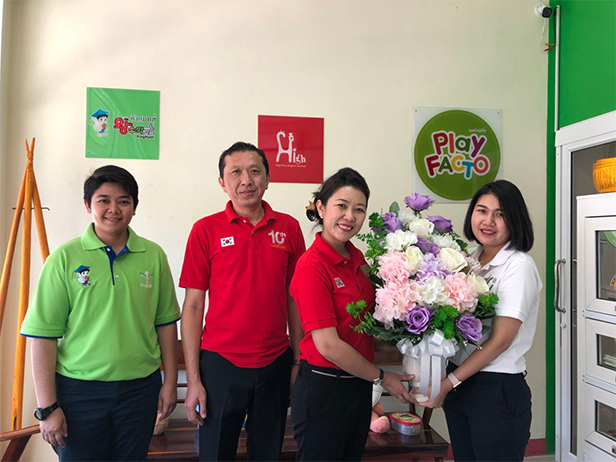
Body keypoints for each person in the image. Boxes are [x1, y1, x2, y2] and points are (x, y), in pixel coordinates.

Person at [21, 165, 180, 461]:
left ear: (134, 207)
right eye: (103, 200)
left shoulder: (154, 256)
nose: (113, 209)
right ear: (88, 205)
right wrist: (47, 407)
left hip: (140, 390)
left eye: (123, 201)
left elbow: (166, 324)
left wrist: (170, 383)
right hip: (79, 393)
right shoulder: (64, 259)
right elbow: (42, 336)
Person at [180, 141, 306, 462]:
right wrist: (193, 380)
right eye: (235, 172)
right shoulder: (204, 230)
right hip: (220, 365)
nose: (246, 180)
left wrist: (298, 361)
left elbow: (295, 299)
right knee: (215, 454)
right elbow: (193, 307)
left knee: (268, 453)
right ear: (222, 182)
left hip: (275, 362)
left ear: (268, 178)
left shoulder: (289, 228)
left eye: (254, 171)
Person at [290, 167, 415, 462]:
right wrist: (383, 377)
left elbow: (364, 328)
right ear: (321, 208)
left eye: (359, 209)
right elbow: (328, 345)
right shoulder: (312, 267)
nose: (350, 216)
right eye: (342, 206)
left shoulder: (358, 259)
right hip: (324, 387)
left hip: (357, 385)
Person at [421, 179, 542, 462]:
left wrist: (447, 384)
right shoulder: (470, 260)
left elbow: (500, 341)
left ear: (515, 219)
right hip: (462, 382)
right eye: (482, 210)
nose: (488, 221)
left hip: (495, 388)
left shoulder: (519, 266)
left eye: (500, 214)